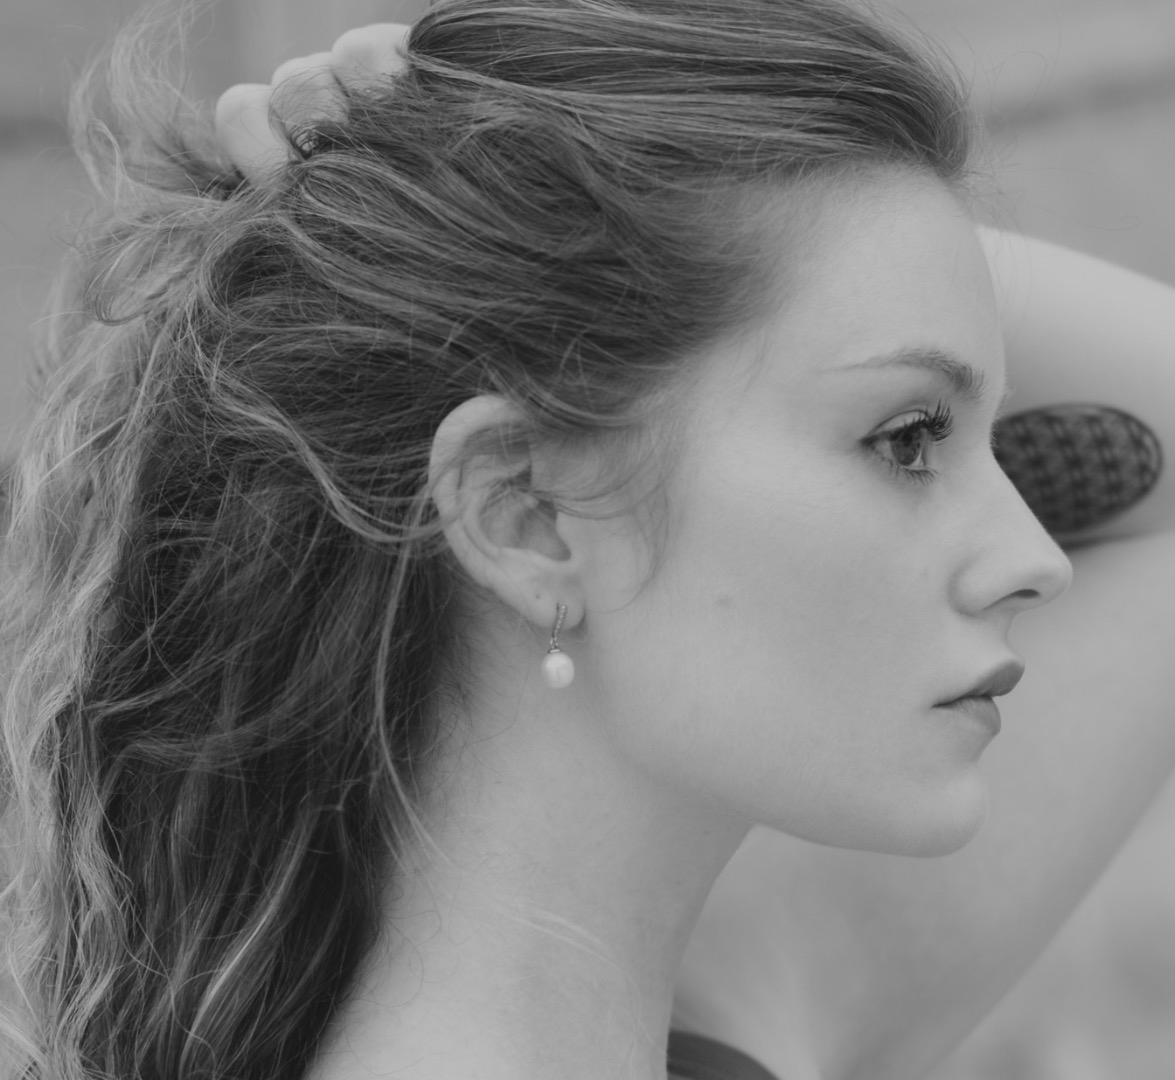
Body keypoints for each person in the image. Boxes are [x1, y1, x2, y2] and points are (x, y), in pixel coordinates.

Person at [3, 3, 1174, 1080]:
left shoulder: (723, 1015)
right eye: (907, 440)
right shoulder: (748, 1007)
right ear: (525, 512)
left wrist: (486, 204)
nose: (1034, 557)